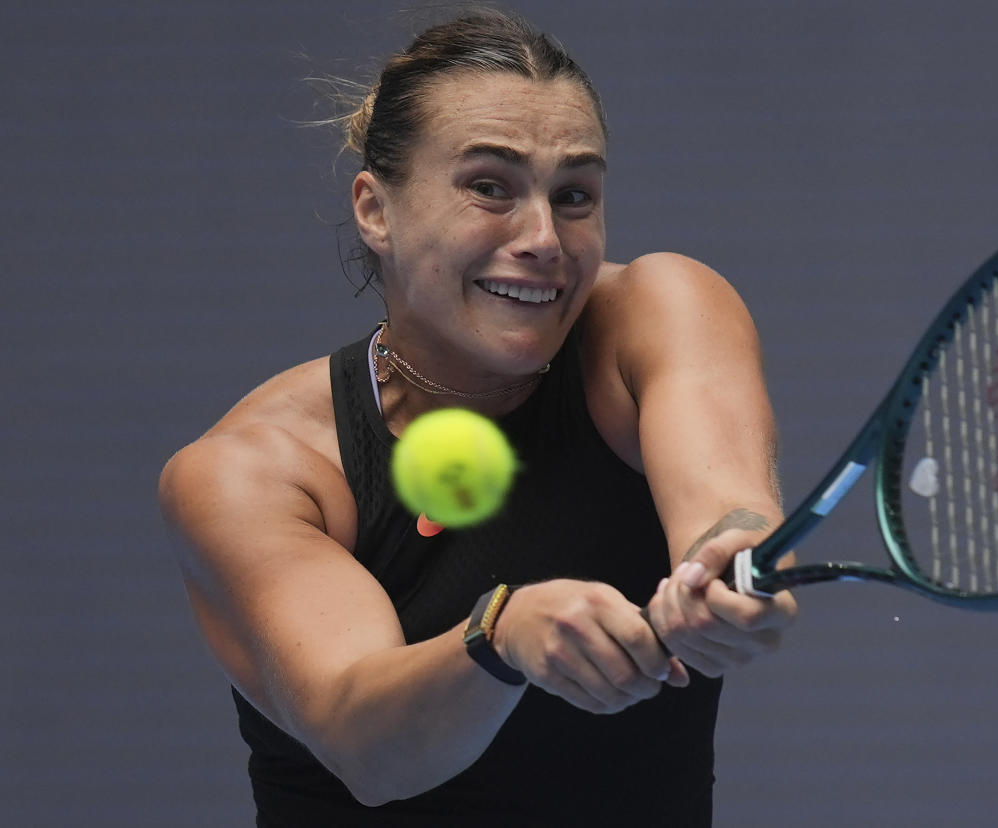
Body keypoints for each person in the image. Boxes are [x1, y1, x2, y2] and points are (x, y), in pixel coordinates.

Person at [159, 9, 796, 826]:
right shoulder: (254, 471)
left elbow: (727, 507)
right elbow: (370, 748)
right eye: (489, 187)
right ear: (376, 210)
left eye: (574, 196)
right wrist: (502, 634)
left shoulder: (657, 313)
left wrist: (730, 564)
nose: (543, 238)